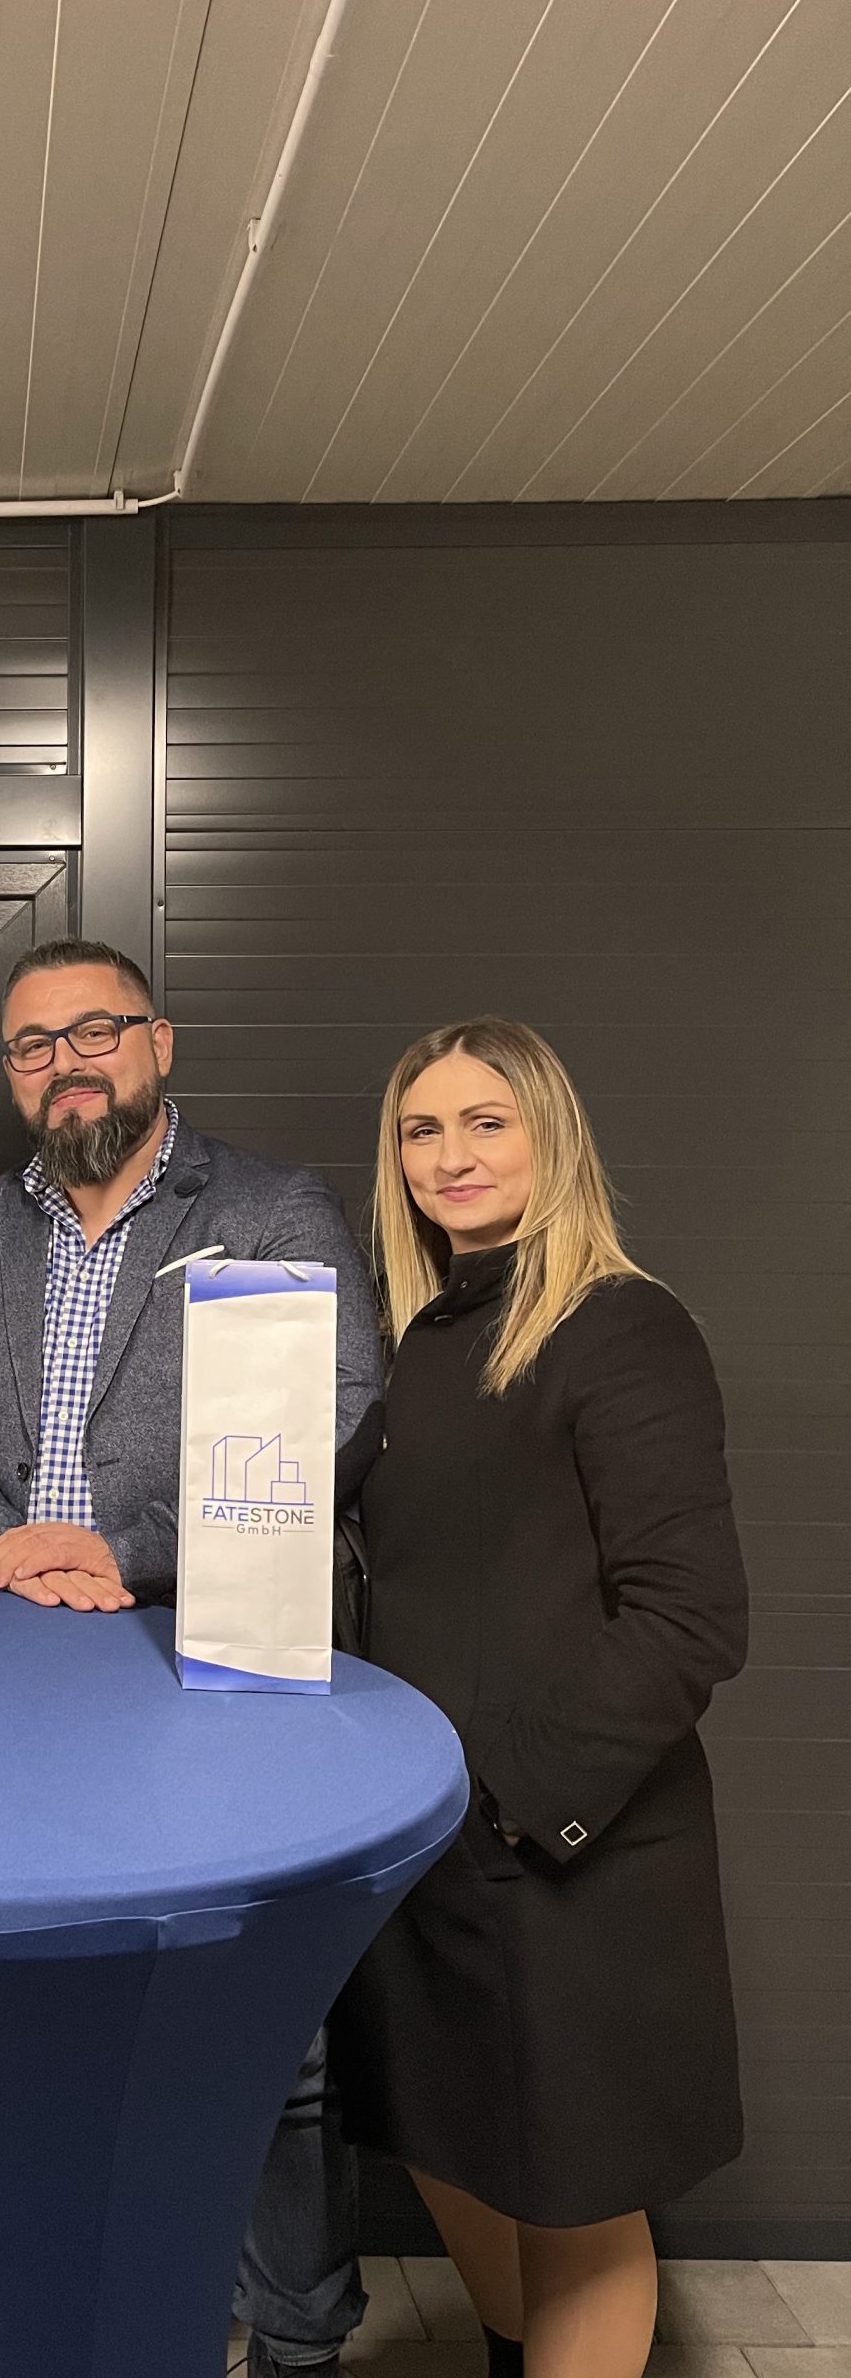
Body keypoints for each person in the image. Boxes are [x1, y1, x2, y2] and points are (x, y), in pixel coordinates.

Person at [0, 936, 382, 2378]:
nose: (67, 1063)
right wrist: (2, 1546)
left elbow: (336, 1409)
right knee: (35, 2005)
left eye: (95, 1030)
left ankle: (296, 2338)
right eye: (34, 1044)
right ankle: (69, 2312)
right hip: (12, 1678)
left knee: (265, 2037)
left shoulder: (272, 1209)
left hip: (210, 1667)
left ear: (160, 1043)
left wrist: (118, 1549)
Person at [332, 1018, 747, 2378]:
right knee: (450, 2146)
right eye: (422, 1130)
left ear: (550, 1137)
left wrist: (509, 1797)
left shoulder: (623, 1327)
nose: (450, 1156)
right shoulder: (414, 1343)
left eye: (486, 1122)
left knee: (576, 2197)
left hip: (568, 1849)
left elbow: (689, 1617)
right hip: (425, 1844)